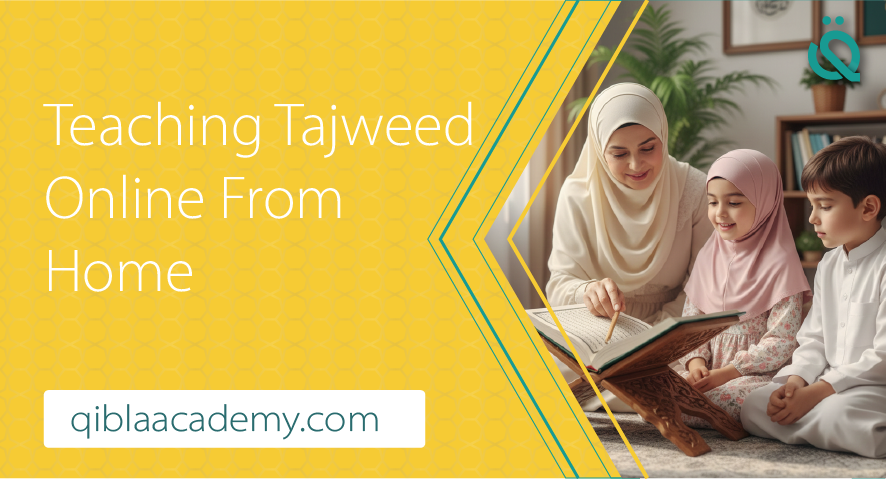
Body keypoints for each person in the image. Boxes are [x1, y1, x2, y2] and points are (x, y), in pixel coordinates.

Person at [546, 83, 713, 411]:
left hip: (672, 331)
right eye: (619, 154)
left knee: (701, 377)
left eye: (648, 148)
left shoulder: (693, 188)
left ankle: (629, 393)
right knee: (528, 373)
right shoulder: (577, 195)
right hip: (598, 334)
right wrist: (588, 291)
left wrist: (655, 339)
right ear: (598, 149)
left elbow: (703, 286)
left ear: (663, 138)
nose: (637, 165)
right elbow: (560, 285)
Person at [741, 136, 886, 458]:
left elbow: (882, 357)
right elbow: (814, 339)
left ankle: (845, 426)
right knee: (754, 404)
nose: (812, 218)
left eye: (825, 205)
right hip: (827, 384)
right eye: (811, 205)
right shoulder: (829, 263)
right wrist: (796, 383)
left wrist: (819, 392)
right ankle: (848, 431)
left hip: (875, 388)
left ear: (868, 208)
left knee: (839, 414)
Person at [676, 150, 810, 427]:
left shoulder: (781, 262)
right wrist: (696, 364)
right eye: (712, 202)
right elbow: (690, 322)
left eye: (734, 202)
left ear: (764, 202)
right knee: (649, 386)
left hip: (756, 375)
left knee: (742, 399)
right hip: (707, 372)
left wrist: (728, 372)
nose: (720, 213)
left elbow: (781, 342)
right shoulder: (708, 254)